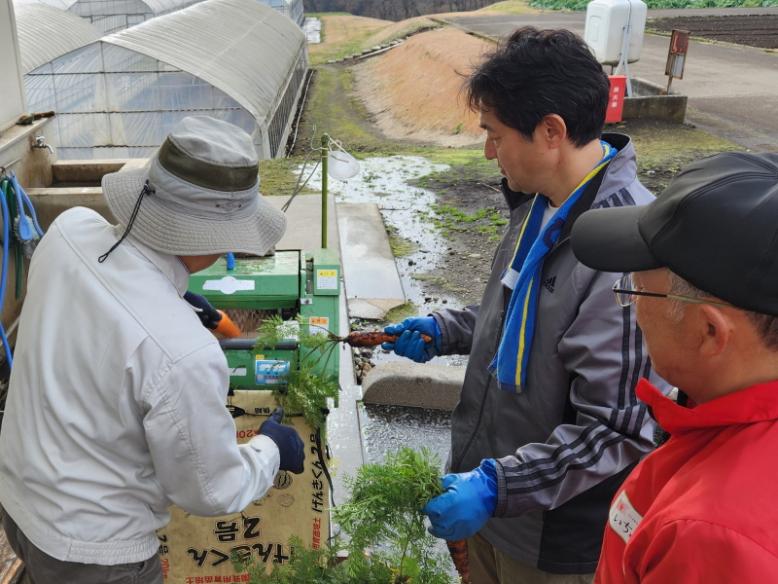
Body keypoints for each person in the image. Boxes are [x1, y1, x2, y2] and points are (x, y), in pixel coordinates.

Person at [384, 27, 668, 582]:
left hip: (551, 538)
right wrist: (447, 330)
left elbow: (618, 429)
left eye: (494, 133)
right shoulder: (539, 206)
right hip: (490, 505)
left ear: (551, 131)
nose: (488, 149)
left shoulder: (626, 246)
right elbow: (516, 315)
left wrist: (497, 486)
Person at [0, 116, 305, 584]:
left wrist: (174, 300)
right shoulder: (183, 353)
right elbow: (211, 490)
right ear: (218, 238)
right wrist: (270, 450)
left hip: (18, 497)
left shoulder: (67, 232)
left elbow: (101, 317)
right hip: (94, 550)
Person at [570, 151, 778, 583]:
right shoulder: (713, 423)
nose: (633, 310)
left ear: (710, 332)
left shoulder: (710, 538)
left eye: (636, 292)